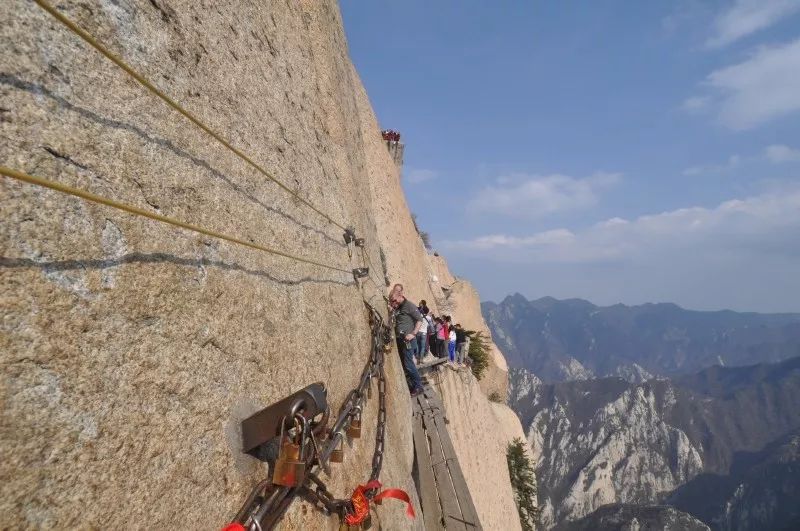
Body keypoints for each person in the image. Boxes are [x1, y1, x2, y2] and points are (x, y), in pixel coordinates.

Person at [389, 289, 424, 396]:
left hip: (408, 340)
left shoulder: (409, 305)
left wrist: (413, 334)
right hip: (400, 340)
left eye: (394, 300)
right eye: (392, 301)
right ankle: (413, 385)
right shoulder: (398, 307)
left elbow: (419, 320)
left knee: (409, 364)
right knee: (405, 364)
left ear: (400, 296)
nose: (393, 303)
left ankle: (419, 387)